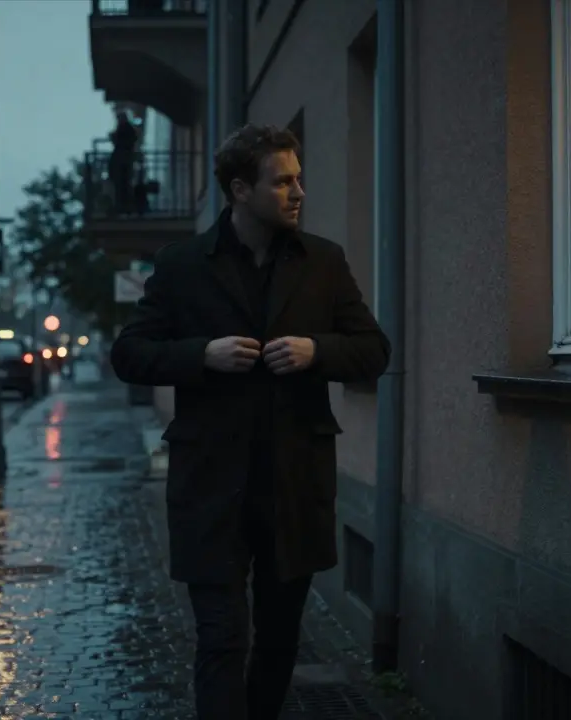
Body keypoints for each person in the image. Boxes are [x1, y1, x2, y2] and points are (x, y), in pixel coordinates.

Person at [110, 124, 390, 719]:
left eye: (298, 178)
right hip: (210, 486)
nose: (298, 192)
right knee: (221, 638)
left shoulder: (322, 261)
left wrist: (319, 350)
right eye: (282, 180)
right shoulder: (182, 265)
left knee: (279, 639)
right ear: (241, 189)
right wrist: (199, 355)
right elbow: (129, 354)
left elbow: (374, 350)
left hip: (294, 484)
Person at [108, 110, 139, 215]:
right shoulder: (126, 129)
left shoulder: (126, 129)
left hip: (122, 162)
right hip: (123, 162)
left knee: (122, 186)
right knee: (122, 186)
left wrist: (114, 136)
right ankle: (124, 207)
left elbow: (122, 141)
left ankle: (124, 207)